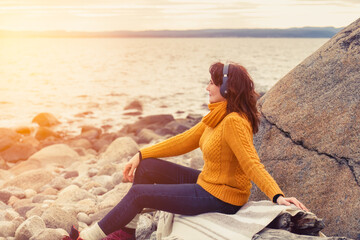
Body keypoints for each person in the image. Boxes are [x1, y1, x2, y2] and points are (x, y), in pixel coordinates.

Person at [76, 62, 308, 240]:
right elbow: (184, 140)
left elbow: (251, 163)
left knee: (140, 194)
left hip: (223, 197)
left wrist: (277, 196)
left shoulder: (234, 121)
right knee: (147, 167)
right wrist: (141, 154)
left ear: (227, 88)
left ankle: (88, 237)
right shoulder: (217, 116)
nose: (207, 87)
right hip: (208, 183)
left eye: (212, 83)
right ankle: (128, 232)